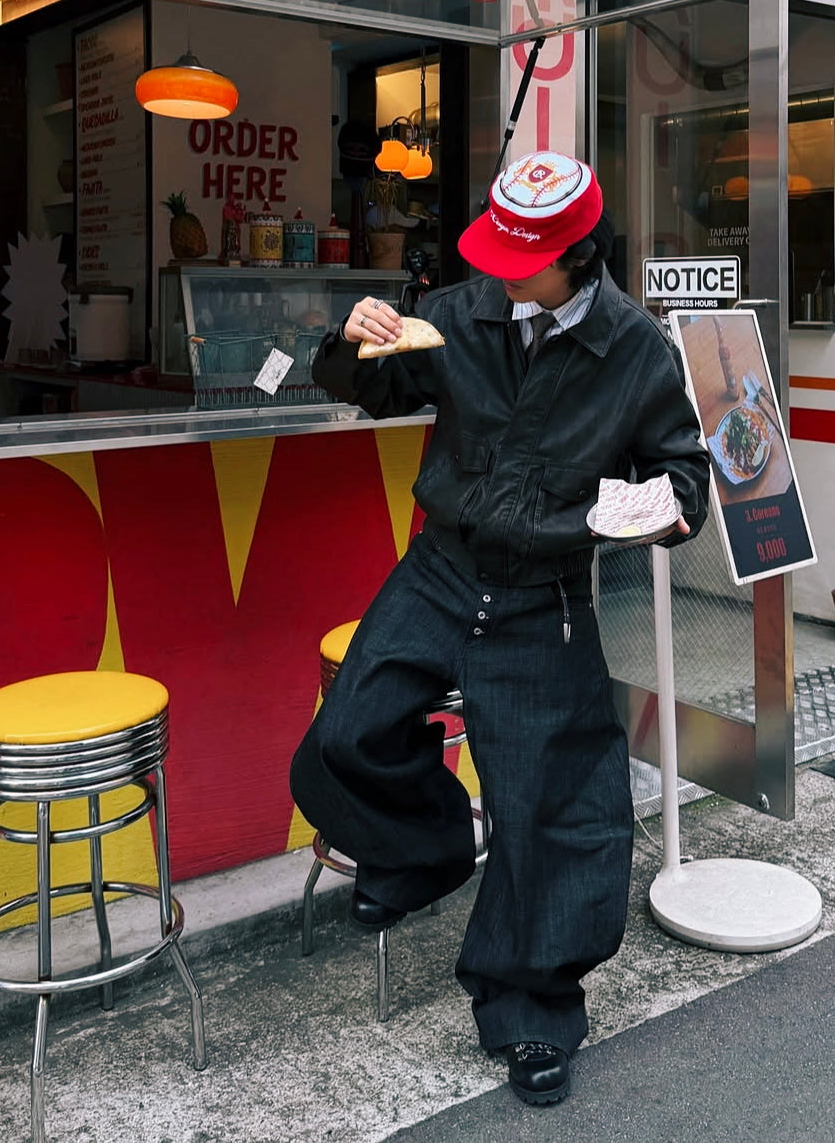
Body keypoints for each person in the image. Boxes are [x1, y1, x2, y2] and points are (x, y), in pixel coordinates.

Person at [290, 151, 710, 1107]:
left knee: (550, 812)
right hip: (440, 570)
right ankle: (428, 849)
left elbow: (685, 481)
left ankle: (532, 1015)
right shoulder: (460, 312)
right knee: (346, 733)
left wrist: (634, 513)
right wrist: (351, 339)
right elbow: (374, 387)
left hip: (546, 599)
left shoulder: (637, 349)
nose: (500, 273)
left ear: (575, 257)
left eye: (521, 259)